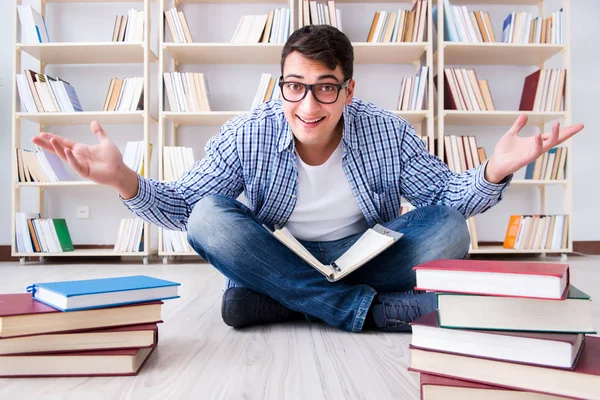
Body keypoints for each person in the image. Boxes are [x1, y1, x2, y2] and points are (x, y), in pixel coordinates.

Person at [33, 25, 583, 333]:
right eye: (295, 86)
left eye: (325, 87)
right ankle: (361, 310)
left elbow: (446, 202)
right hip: (282, 252)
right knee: (209, 217)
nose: (308, 103)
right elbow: (184, 211)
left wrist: (492, 170)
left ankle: (279, 302)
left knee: (448, 230)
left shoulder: (386, 132)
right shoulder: (247, 133)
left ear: (348, 91)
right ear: (280, 87)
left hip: (366, 253)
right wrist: (126, 180)